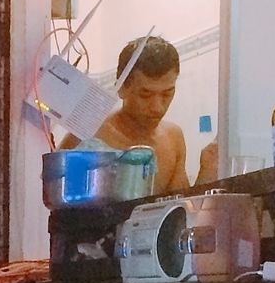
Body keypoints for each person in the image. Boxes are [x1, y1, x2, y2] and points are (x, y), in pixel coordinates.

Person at [61, 34, 190, 195]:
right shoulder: (88, 134)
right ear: (121, 88)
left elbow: (181, 206)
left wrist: (208, 168)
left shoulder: (174, 138)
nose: (157, 108)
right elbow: (57, 202)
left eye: (167, 94)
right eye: (145, 95)